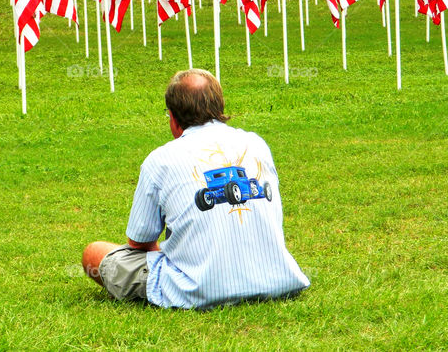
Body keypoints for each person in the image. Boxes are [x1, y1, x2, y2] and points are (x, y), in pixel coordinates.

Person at [82, 69, 310, 309]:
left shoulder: (160, 160)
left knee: (94, 253)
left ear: (172, 117)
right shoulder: (257, 144)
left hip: (197, 289)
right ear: (219, 105)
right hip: (277, 279)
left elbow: (139, 243)